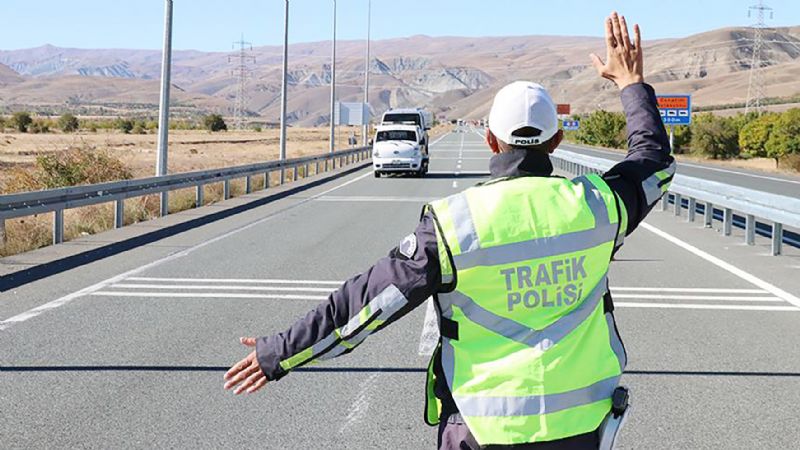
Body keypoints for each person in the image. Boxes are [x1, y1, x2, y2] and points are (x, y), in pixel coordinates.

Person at [224, 12, 675, 450]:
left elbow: (363, 306)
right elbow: (653, 159)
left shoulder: (454, 225)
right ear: (556, 143)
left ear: (490, 141)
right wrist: (631, 84)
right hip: (584, 426)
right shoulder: (599, 205)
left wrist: (279, 353)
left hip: (482, 429)